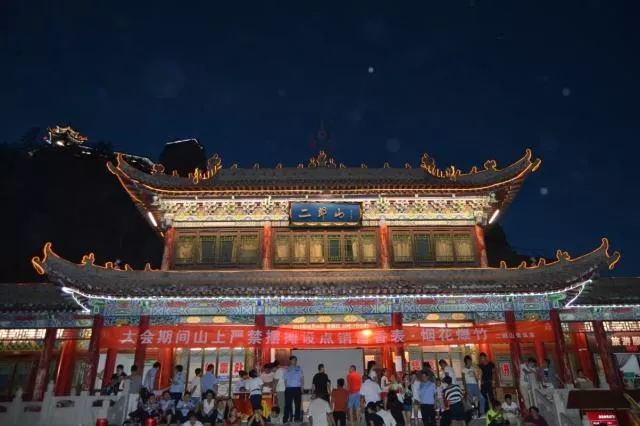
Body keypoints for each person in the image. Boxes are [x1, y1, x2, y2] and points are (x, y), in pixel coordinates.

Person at [283, 355, 304, 423]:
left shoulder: (299, 369)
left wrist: (302, 387)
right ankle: (286, 419)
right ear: (290, 361)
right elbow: (285, 380)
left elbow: (302, 378)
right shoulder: (286, 370)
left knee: (298, 404)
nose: (295, 361)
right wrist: (286, 387)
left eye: (295, 360)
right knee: (288, 405)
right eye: (293, 360)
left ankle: (297, 418)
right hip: (289, 389)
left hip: (297, 388)